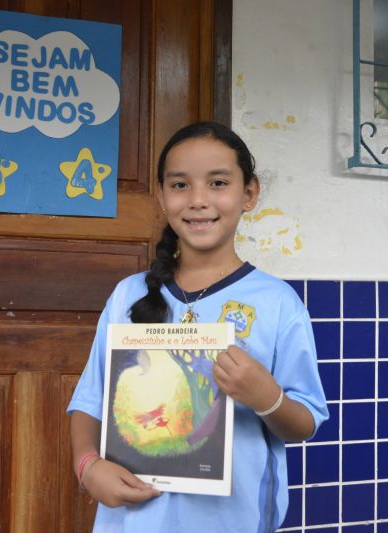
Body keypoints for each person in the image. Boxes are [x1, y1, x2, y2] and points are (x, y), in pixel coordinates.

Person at [67, 121, 328, 532]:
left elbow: (305, 422)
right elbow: (89, 400)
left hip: (232, 521)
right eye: (180, 185)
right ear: (161, 195)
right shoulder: (127, 295)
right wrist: (87, 466)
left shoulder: (278, 304)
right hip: (132, 521)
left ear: (249, 194)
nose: (198, 200)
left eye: (218, 182)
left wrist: (267, 397)